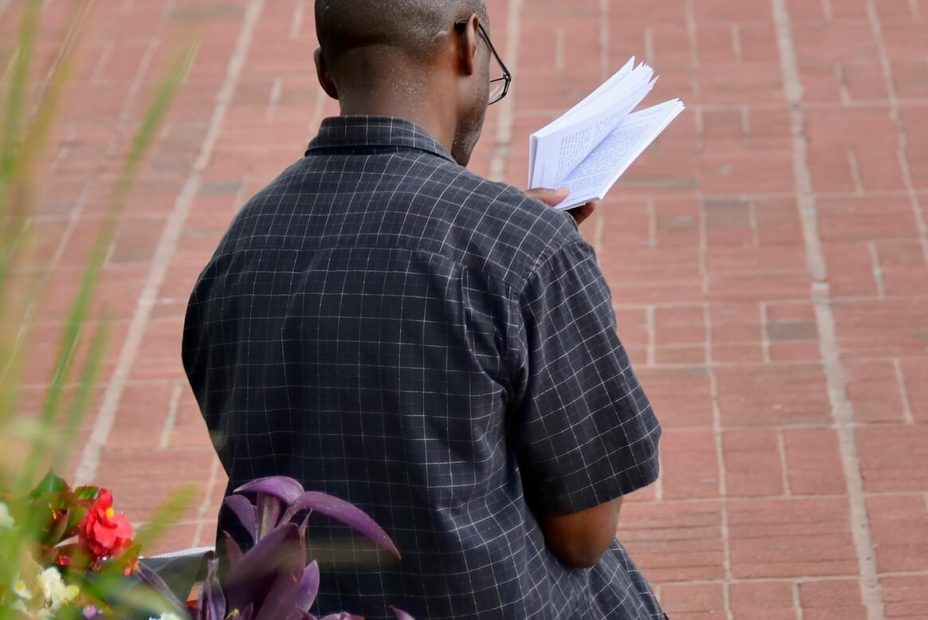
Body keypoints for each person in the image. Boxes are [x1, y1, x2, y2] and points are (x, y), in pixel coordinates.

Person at [182, 0, 665, 617]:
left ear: (325, 72)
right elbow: (585, 534)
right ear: (468, 42)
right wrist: (533, 262)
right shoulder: (523, 251)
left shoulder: (240, 250)